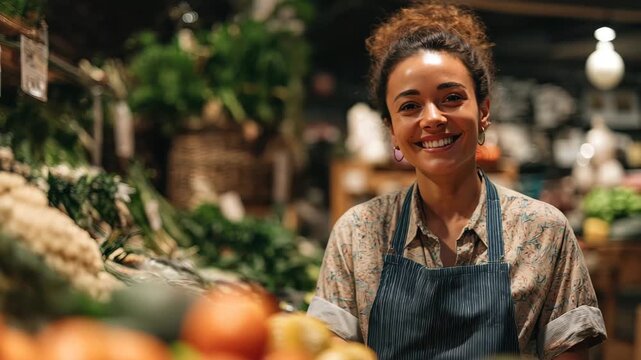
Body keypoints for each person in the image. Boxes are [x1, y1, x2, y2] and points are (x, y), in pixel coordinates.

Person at [306, 2, 606, 359]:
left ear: (483, 112)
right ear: (391, 129)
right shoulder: (357, 233)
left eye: (451, 98)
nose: (432, 118)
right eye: (409, 106)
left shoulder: (542, 232)